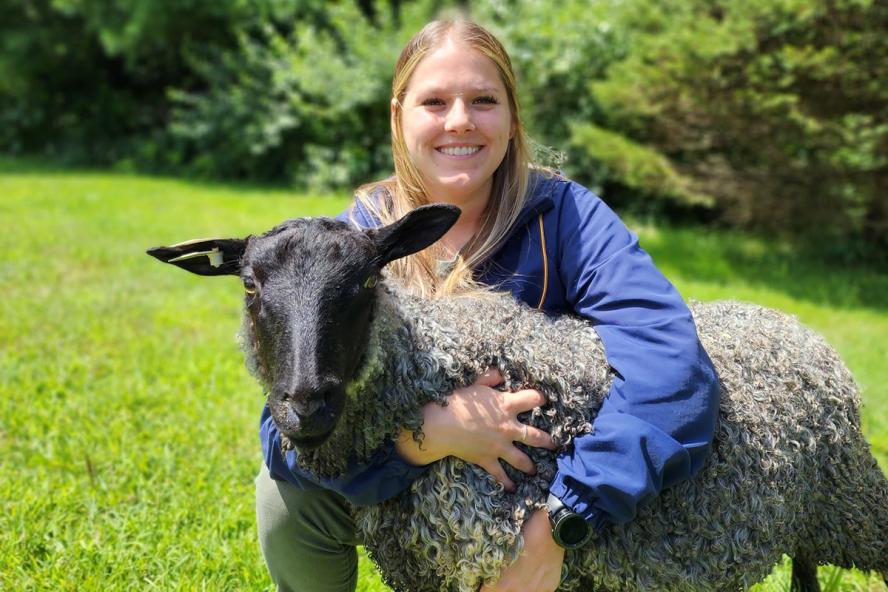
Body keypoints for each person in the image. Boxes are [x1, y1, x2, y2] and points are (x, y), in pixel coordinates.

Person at [255, 19, 720, 592]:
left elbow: (670, 367)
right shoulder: (357, 242)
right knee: (287, 490)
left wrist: (563, 519)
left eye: (483, 100)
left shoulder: (570, 219)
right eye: (434, 102)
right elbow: (290, 421)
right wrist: (424, 436)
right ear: (398, 116)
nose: (459, 121)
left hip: (545, 484)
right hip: (411, 476)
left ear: (512, 118)